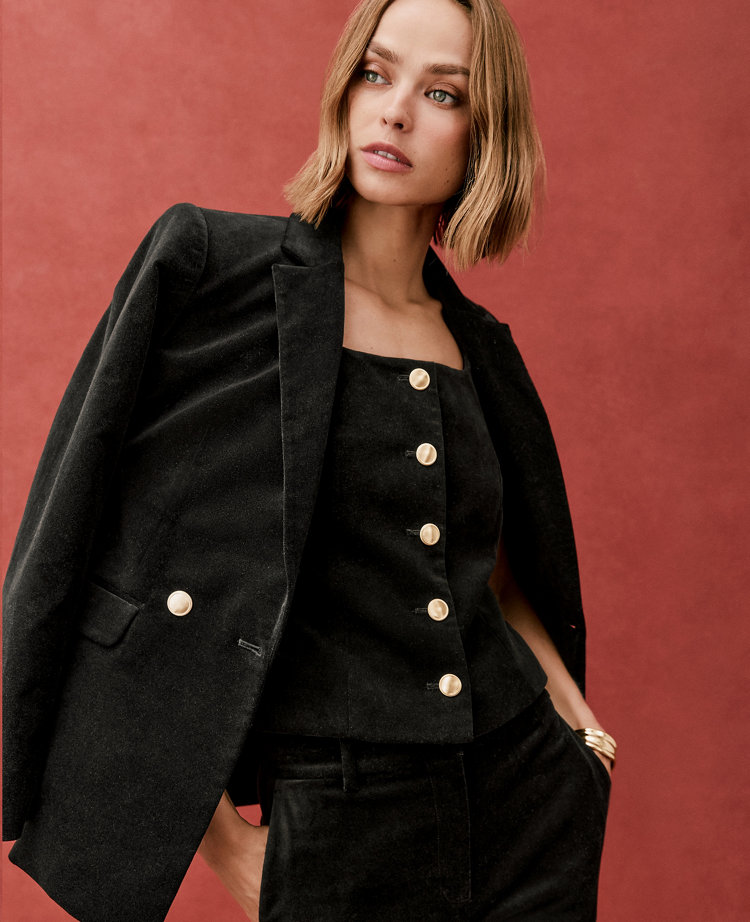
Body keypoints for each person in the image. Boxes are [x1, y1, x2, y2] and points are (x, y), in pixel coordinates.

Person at [2, 0, 616, 919]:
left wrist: (584, 738)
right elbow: (80, 544)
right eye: (376, 72)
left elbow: (488, 572)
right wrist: (229, 846)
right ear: (343, 88)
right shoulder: (211, 271)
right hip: (337, 816)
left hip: (521, 807)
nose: (395, 110)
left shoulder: (483, 348)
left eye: (442, 93)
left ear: (485, 136)